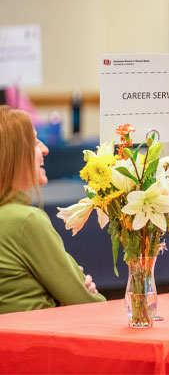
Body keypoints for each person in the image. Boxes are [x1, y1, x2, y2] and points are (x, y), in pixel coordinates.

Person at [0, 105, 105, 314]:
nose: (45, 149)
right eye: (35, 142)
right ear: (16, 155)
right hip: (33, 343)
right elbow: (89, 305)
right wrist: (73, 296)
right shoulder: (26, 221)